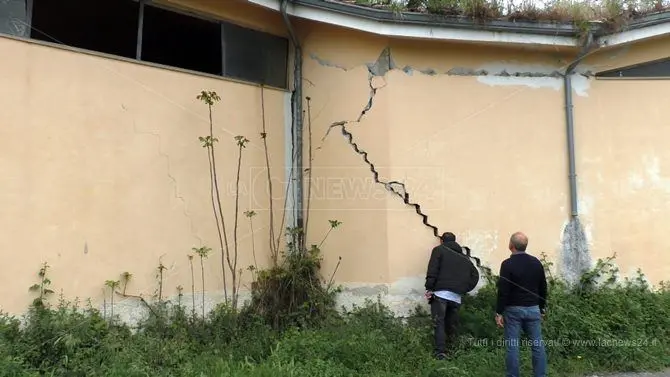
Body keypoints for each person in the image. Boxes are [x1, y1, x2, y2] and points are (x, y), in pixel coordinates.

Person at [495, 232, 548, 377]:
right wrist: (542, 308)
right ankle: (540, 375)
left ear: (510, 245)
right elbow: (543, 287)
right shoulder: (536, 262)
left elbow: (503, 290)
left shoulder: (507, 264)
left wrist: (499, 312)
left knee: (513, 345)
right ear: (525, 246)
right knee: (537, 344)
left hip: (513, 310)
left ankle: (512, 375)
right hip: (533, 309)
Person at [424, 232, 480, 360]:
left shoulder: (439, 250)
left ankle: (441, 353)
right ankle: (453, 350)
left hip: (440, 294)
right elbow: (475, 275)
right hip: (456, 297)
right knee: (451, 325)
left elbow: (433, 269)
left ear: (442, 241)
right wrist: (464, 289)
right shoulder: (464, 257)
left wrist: (429, 288)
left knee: (439, 323)